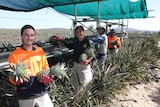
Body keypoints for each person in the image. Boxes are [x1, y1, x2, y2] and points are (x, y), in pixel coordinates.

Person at [8, 25, 53, 107]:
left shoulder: (40, 51)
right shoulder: (14, 55)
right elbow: (11, 76)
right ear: (21, 36)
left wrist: (46, 77)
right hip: (25, 95)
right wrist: (15, 80)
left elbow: (45, 66)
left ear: (34, 36)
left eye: (32, 35)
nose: (29, 38)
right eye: (26, 35)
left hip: (41, 92)